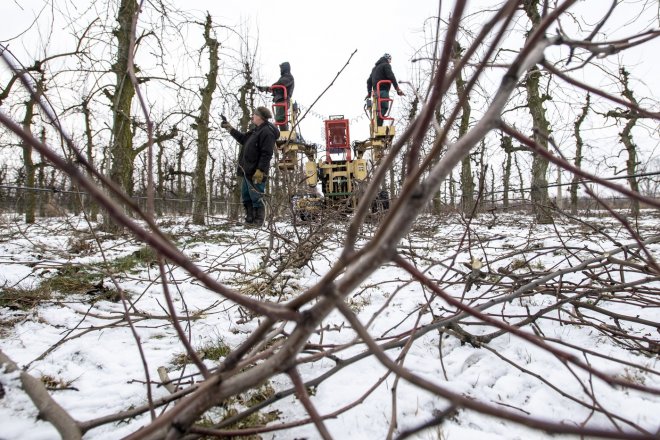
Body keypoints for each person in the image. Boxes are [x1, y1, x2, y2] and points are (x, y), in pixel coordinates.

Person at [221, 106, 279, 226]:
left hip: (256, 171)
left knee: (256, 196)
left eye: (255, 115)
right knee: (246, 196)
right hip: (247, 170)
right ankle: (249, 220)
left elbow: (267, 153)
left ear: (260, 117)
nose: (252, 116)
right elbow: (243, 139)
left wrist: (260, 170)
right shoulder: (255, 130)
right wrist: (229, 128)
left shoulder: (267, 132)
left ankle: (258, 222)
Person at [366, 53, 404, 126]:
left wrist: (369, 93)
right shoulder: (386, 65)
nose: (390, 62)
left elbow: (369, 81)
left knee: (378, 109)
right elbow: (391, 76)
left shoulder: (374, 69)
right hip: (383, 90)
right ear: (388, 59)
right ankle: (378, 126)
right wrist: (397, 89)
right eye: (390, 60)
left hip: (375, 93)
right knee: (384, 107)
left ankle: (376, 125)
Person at [258, 62, 294, 130]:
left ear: (284, 68)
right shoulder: (284, 77)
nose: (280, 70)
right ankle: (282, 132)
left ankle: (284, 133)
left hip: (283, 100)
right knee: (279, 118)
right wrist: (265, 88)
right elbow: (276, 88)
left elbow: (280, 84)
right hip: (280, 100)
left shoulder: (288, 77)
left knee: (280, 119)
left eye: (281, 68)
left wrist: (273, 86)